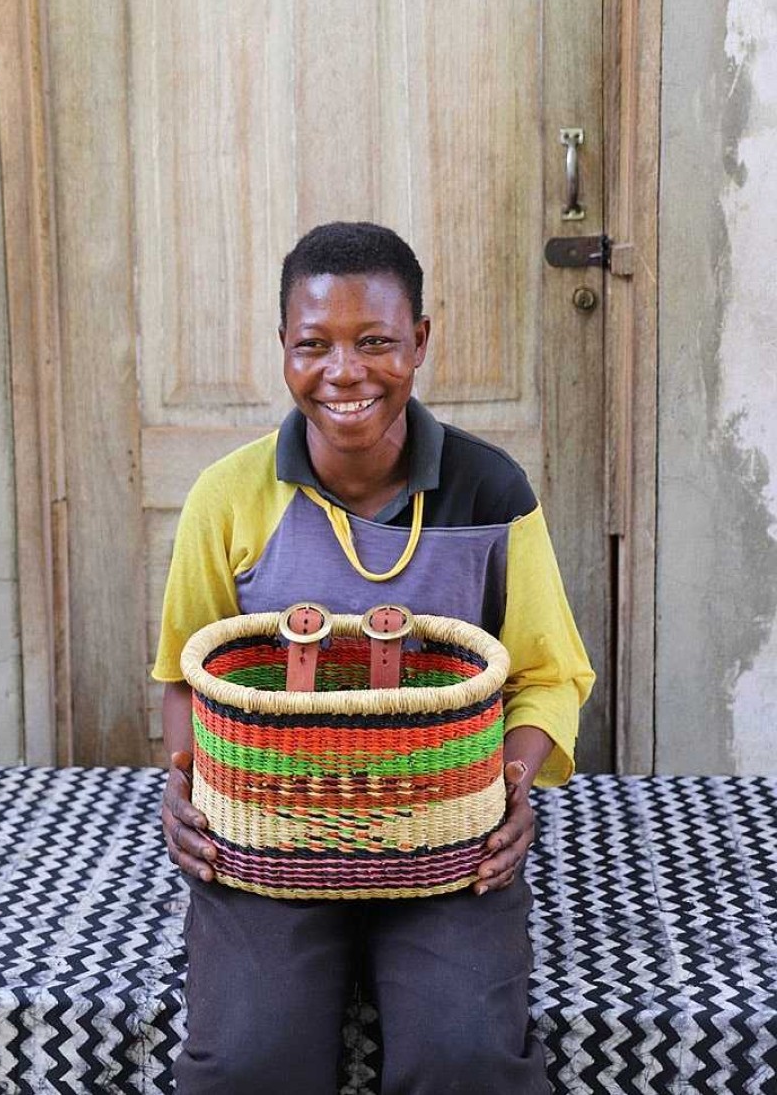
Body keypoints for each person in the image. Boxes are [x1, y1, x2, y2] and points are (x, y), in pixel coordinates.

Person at [153, 221, 595, 1094]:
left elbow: (548, 673)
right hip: (272, 838)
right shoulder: (229, 495)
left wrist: (507, 790)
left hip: (446, 838)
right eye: (312, 344)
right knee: (248, 1063)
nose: (344, 371)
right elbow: (184, 672)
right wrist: (191, 785)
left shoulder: (491, 490)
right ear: (282, 348)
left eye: (376, 342)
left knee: (465, 1059)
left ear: (420, 341)